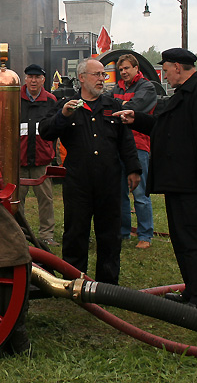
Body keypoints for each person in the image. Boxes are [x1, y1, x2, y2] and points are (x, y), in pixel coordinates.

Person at [115, 48, 197, 311]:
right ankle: (193, 290)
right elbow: (166, 129)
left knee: (196, 239)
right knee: (182, 239)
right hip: (178, 182)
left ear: (177, 67)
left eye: (165, 69)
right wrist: (136, 119)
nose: (164, 75)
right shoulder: (184, 95)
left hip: (193, 184)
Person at [39, 58, 140, 284]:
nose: (102, 79)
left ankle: (108, 284)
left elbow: (126, 141)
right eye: (96, 74)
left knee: (110, 234)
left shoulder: (112, 106)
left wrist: (134, 168)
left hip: (109, 180)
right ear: (82, 78)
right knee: (76, 232)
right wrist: (62, 116)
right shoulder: (68, 105)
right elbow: (45, 131)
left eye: (103, 75)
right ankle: (74, 281)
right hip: (78, 180)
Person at [112, 54, 157, 249]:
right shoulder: (117, 88)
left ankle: (145, 235)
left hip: (139, 145)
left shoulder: (147, 87)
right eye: (121, 69)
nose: (123, 72)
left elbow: (135, 107)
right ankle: (123, 233)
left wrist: (120, 107)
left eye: (127, 68)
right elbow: (110, 108)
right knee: (120, 192)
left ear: (137, 68)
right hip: (119, 145)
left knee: (140, 192)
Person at [19, 64, 59, 247]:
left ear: (43, 80)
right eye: (30, 77)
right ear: (25, 79)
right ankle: (18, 233)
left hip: (41, 159)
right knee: (17, 199)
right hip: (19, 158)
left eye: (37, 77)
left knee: (45, 199)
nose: (33, 80)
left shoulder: (51, 100)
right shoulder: (15, 99)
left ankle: (46, 234)